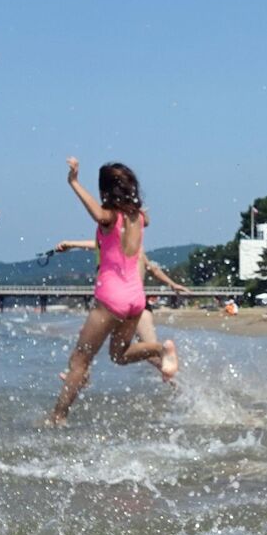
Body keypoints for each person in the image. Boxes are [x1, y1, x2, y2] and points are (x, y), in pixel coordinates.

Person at [47, 158, 179, 425]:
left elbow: (99, 215)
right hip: (135, 300)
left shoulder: (110, 217)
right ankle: (161, 348)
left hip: (111, 298)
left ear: (106, 190)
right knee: (118, 355)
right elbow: (144, 217)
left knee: (79, 360)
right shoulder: (139, 217)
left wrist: (73, 182)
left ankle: (57, 417)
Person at [49, 237, 188, 382]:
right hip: (139, 303)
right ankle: (179, 380)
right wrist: (172, 284)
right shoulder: (135, 247)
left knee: (89, 338)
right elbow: (152, 269)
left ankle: (81, 373)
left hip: (117, 303)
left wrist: (71, 244)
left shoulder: (117, 244)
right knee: (149, 352)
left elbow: (100, 243)